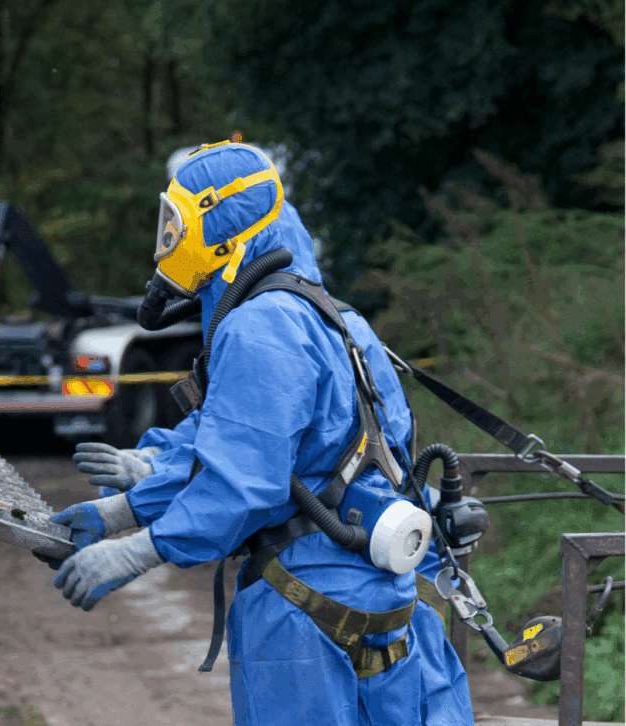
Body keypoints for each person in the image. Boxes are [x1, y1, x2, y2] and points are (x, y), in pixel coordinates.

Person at [46, 141, 474, 725]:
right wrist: (130, 500)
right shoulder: (339, 318)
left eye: (176, 223)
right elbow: (264, 445)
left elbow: (242, 484)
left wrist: (135, 548)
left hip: (306, 615)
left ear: (217, 227)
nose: (166, 242)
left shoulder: (257, 327)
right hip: (390, 607)